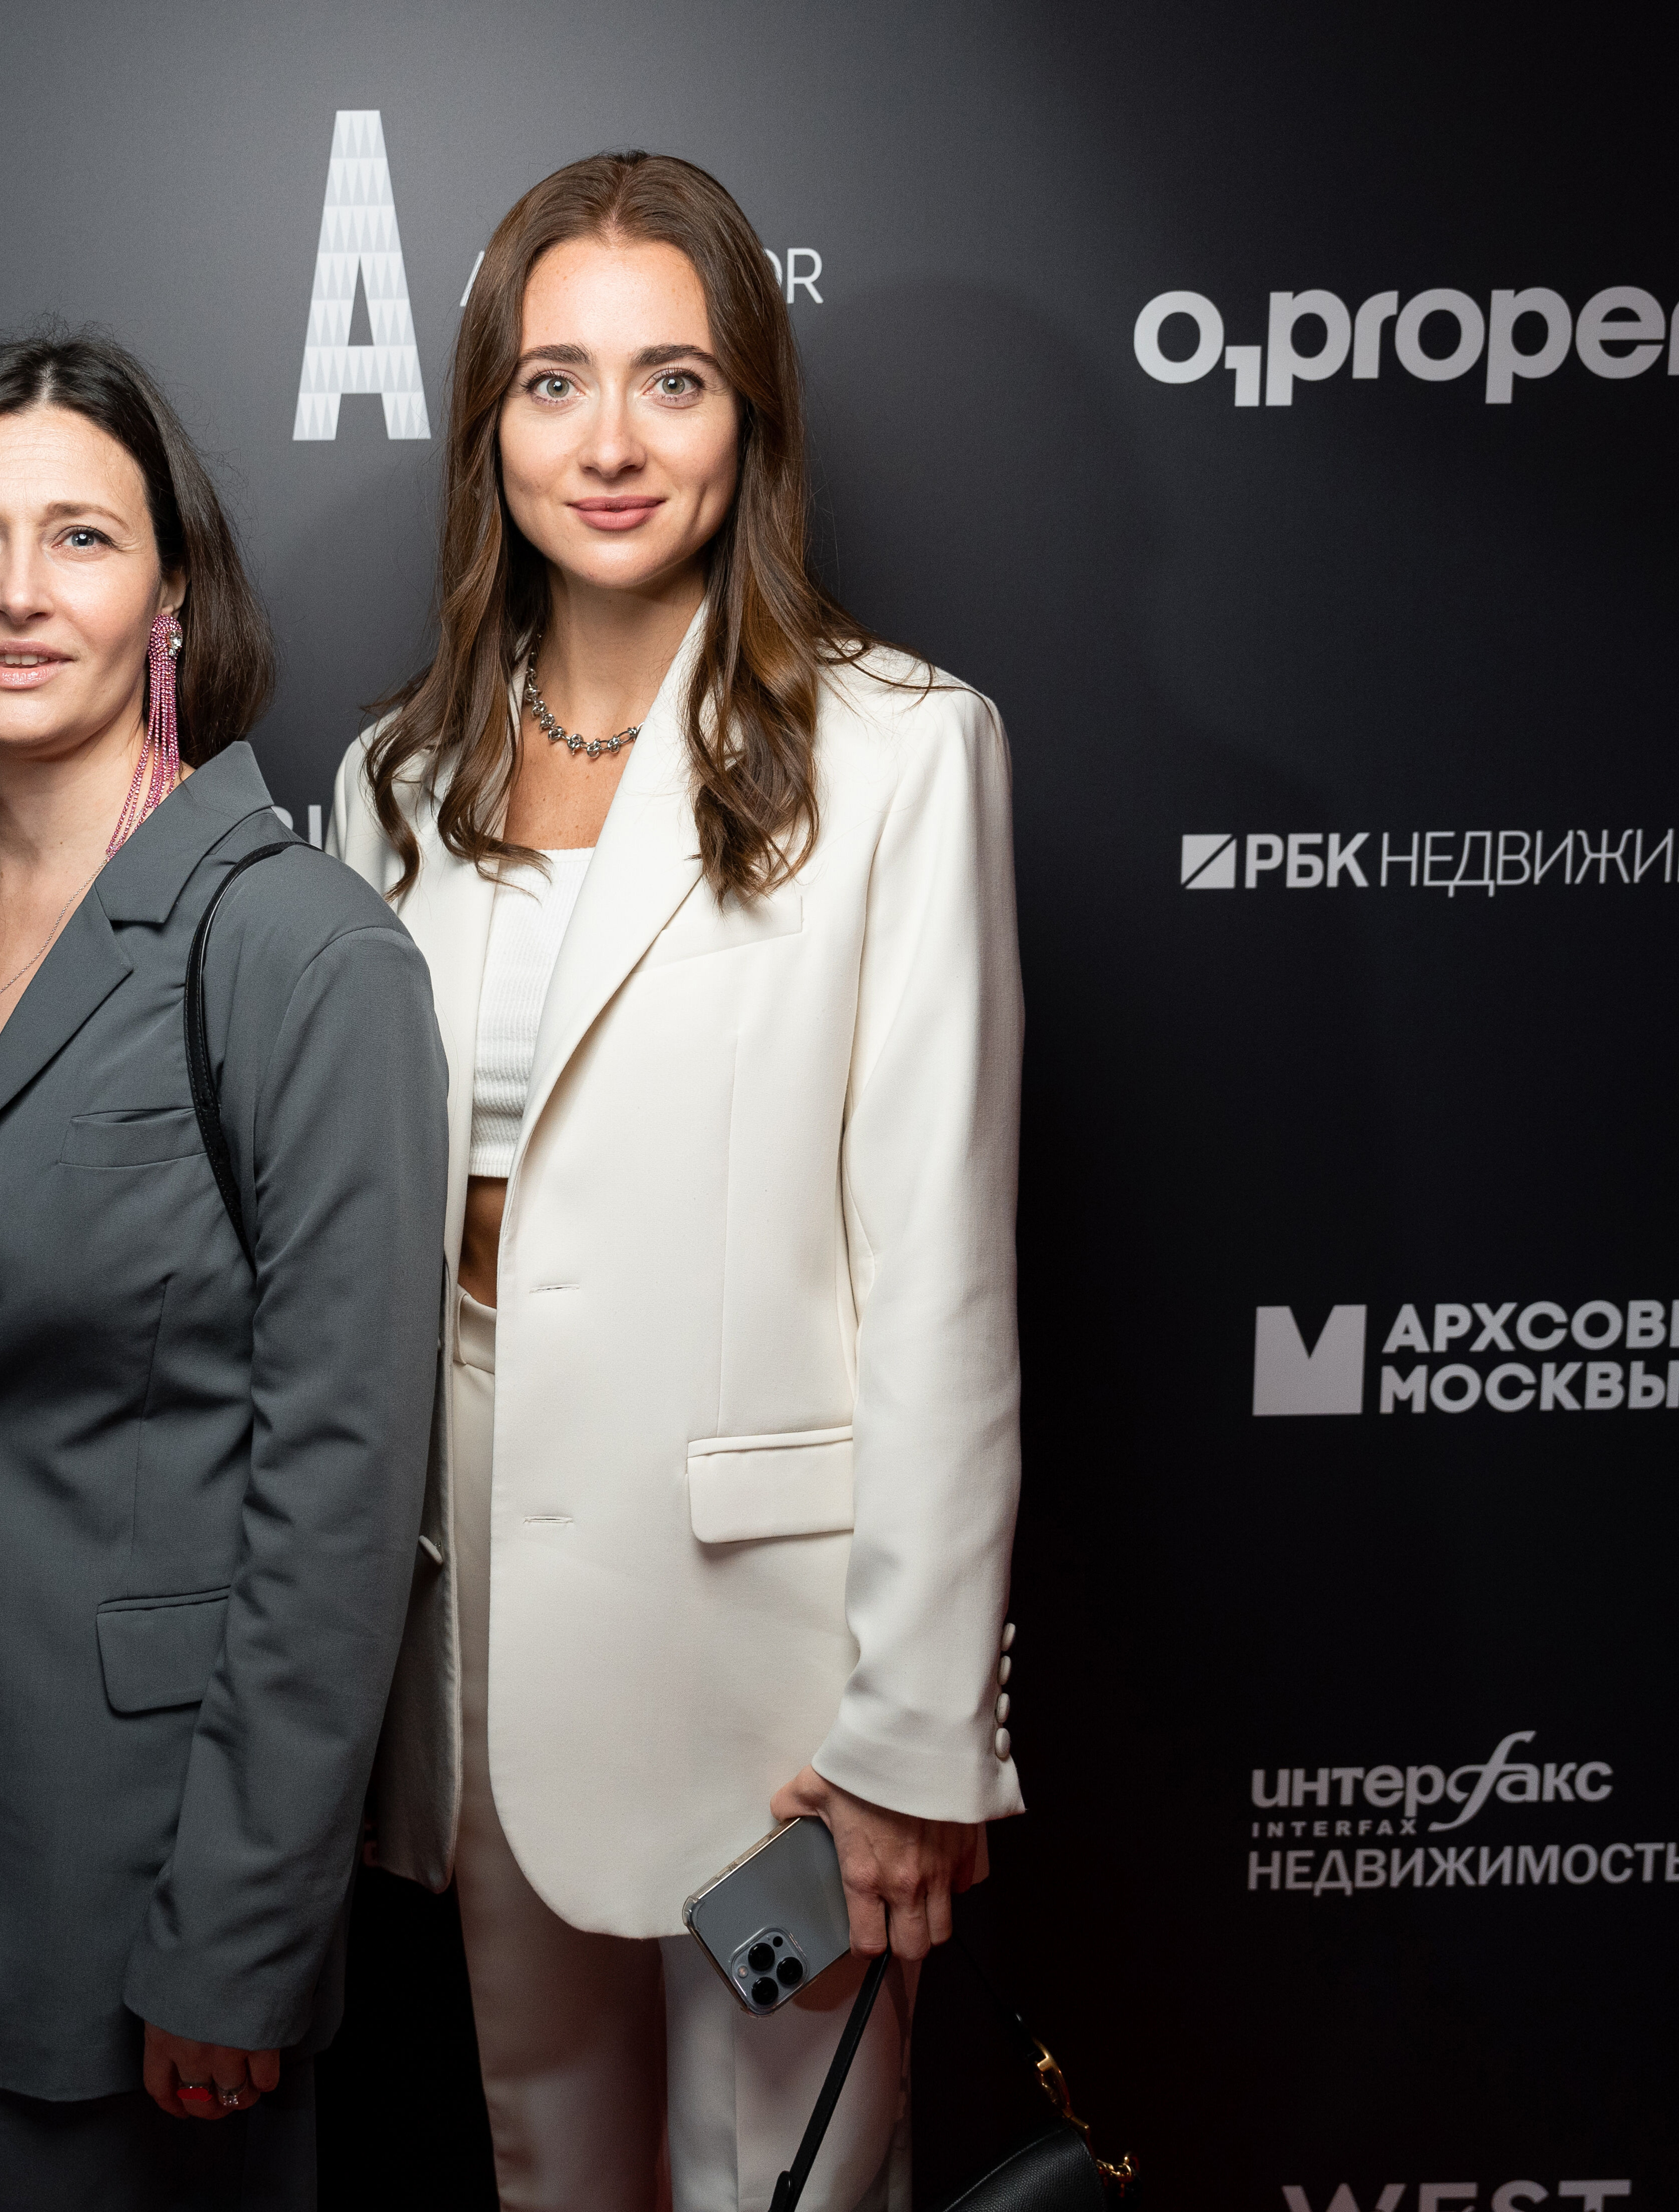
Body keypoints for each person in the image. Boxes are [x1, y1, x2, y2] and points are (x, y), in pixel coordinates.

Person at [328, 153, 1027, 2212]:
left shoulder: (902, 751)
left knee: (783, 2185)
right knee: (551, 2170)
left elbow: (943, 1281)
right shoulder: (391, 778)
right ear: (489, 422)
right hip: (479, 1636)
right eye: (555, 381)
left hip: (773, 1661)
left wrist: (917, 1731)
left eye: (674, 379)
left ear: (752, 419)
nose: (611, 441)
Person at [0, 330, 447, 2212]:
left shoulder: (297, 953)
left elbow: (341, 1496)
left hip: (145, 1897)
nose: (19, 592)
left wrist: (239, 1940)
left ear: (170, 595)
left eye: (82, 538)